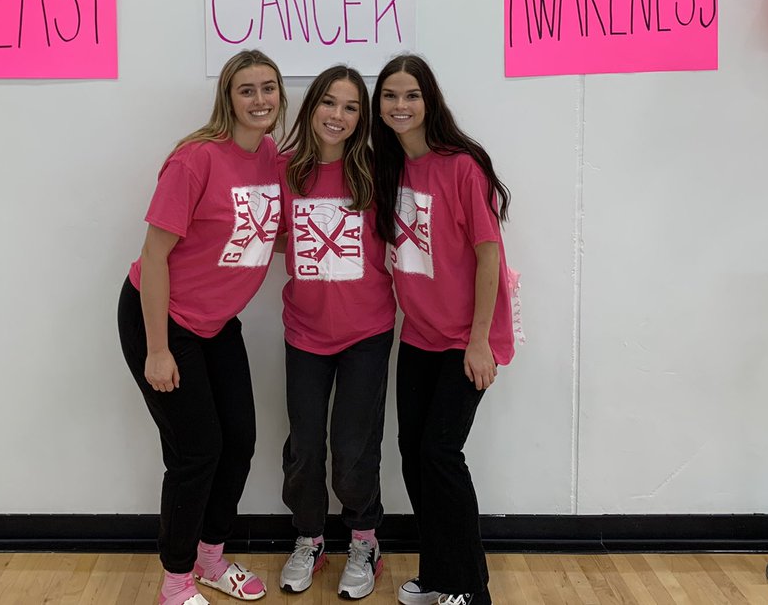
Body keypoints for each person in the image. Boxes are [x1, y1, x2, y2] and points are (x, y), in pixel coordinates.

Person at [117, 49, 287, 605]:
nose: (260, 99)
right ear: (228, 99)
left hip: (217, 325)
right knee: (197, 451)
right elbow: (155, 253)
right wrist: (159, 349)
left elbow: (273, 232)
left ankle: (211, 558)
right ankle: (174, 582)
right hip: (161, 318)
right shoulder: (195, 160)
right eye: (247, 89)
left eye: (269, 88)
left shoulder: (271, 159)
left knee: (238, 442)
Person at [370, 54, 516, 605]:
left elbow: (487, 257)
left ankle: (469, 587)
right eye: (389, 96)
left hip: (465, 339)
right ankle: (437, 574)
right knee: (413, 453)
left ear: (429, 100)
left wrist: (479, 340)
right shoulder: (389, 167)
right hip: (419, 336)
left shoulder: (461, 166)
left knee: (440, 454)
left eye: (411, 95)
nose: (400, 106)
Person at [275, 66, 397, 600]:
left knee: (352, 447)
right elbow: (274, 237)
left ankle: (364, 539)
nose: (338, 116)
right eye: (329, 102)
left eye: (351, 107)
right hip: (304, 334)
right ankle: (309, 536)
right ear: (311, 107)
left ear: (362, 118)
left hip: (367, 333)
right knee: (304, 447)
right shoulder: (286, 171)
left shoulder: (376, 172)